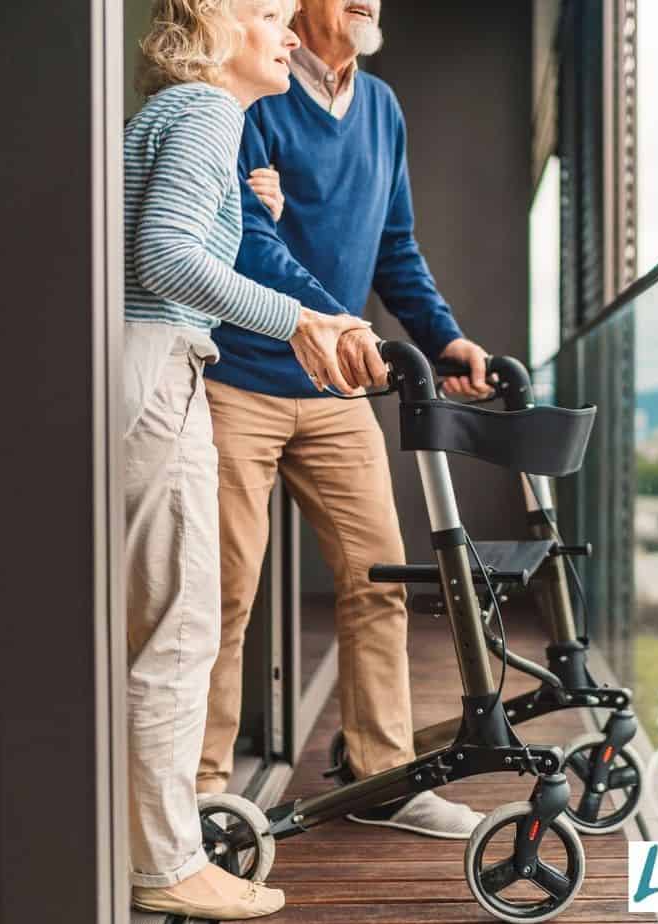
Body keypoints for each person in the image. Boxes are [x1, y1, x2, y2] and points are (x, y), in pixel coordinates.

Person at [197, 0, 494, 839]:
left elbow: (394, 244)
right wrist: (348, 325)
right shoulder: (251, 84)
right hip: (240, 379)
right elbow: (248, 240)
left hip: (336, 389)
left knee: (381, 583)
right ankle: (201, 798)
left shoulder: (381, 106)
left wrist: (442, 338)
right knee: (224, 596)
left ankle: (386, 781)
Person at [123, 0, 371, 918]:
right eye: (269, 12)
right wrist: (298, 316)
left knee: (159, 622)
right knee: (176, 629)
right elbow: (163, 259)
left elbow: (160, 235)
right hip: (156, 363)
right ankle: (161, 868)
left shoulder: (177, 117)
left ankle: (147, 845)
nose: (291, 32)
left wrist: (238, 204)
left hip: (134, 365)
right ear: (212, 21)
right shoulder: (205, 110)